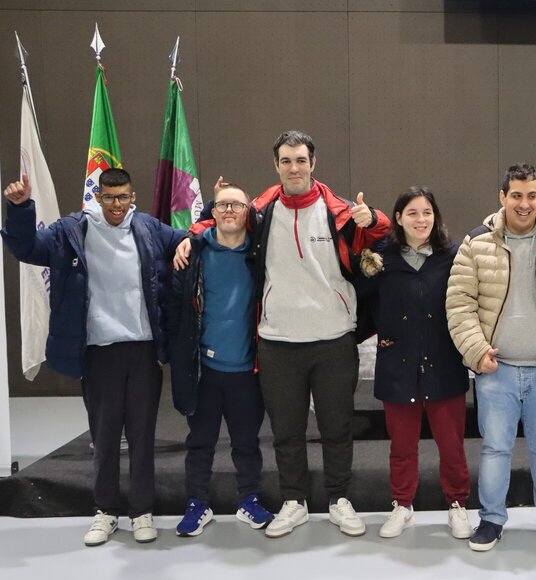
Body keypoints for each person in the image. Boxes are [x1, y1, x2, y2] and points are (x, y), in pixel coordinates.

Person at [175, 130, 391, 538]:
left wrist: (374, 218)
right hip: (278, 343)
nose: (294, 168)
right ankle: (294, 501)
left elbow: (384, 234)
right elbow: (220, 220)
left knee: (337, 428)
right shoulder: (261, 210)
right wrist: (189, 238)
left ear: (313, 163)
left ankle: (339, 500)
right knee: (286, 432)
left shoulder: (341, 211)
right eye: (286, 161)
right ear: (276, 165)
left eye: (301, 160)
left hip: (333, 340)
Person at [2, 168, 184, 546]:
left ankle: (142, 511)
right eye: (110, 197)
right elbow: (26, 248)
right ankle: (106, 511)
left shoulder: (149, 229)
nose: (117, 204)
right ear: (98, 198)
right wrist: (20, 209)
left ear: (133, 197)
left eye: (123, 197)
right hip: (99, 352)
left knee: (142, 436)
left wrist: (186, 242)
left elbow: (187, 238)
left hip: (143, 350)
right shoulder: (72, 232)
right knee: (104, 437)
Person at [447, 163, 536, 551]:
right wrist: (476, 351)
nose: (524, 204)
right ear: (502, 197)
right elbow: (459, 303)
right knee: (496, 449)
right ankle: (491, 520)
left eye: (531, 195)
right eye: (516, 195)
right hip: (496, 372)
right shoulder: (476, 243)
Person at [166, 181, 274, 537]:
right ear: (211, 211)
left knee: (247, 442)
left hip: (247, 370)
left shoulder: (260, 254)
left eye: (237, 205)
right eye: (222, 205)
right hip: (204, 371)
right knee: (200, 442)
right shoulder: (193, 252)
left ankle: (249, 500)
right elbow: (176, 307)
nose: (229, 210)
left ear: (248, 213)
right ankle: (197, 504)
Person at [363, 187, 471, 539]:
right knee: (402, 446)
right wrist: (385, 332)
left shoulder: (454, 256)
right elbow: (363, 301)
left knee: (451, 445)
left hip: (444, 363)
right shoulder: (381, 257)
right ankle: (402, 505)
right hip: (399, 365)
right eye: (412, 213)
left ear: (435, 216)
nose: (420, 220)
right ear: (398, 218)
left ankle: (457, 504)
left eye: (427, 212)